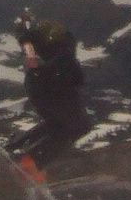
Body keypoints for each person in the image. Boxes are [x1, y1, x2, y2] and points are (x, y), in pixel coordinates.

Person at [10, 11, 90, 176]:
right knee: (78, 127)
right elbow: (69, 71)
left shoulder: (31, 40)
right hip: (57, 91)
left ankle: (17, 146)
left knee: (57, 124)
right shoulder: (64, 46)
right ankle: (32, 162)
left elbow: (28, 49)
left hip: (36, 89)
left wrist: (36, 64)